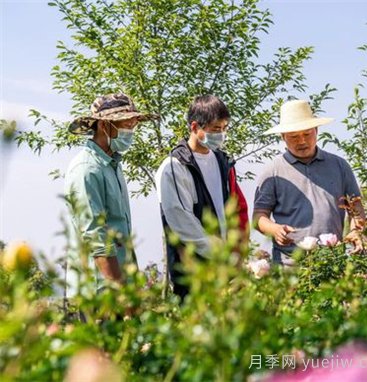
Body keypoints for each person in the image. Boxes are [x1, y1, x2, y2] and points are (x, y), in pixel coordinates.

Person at [155, 95, 248, 299]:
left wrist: (236, 252)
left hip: (224, 269)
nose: (221, 134)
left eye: (225, 128)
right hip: (192, 273)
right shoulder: (174, 168)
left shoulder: (222, 162)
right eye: (216, 129)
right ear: (195, 127)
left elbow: (235, 209)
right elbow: (182, 223)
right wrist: (221, 254)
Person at [64, 93, 157, 295]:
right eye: (126, 126)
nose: (130, 132)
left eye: (133, 126)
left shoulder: (112, 164)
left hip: (118, 284)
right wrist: (121, 292)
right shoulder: (87, 169)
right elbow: (96, 238)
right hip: (98, 291)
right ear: (105, 126)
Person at [253, 99, 366, 265]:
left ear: (317, 131)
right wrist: (275, 230)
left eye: (307, 134)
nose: (302, 141)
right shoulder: (273, 171)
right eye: (294, 136)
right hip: (289, 265)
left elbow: (356, 208)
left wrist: (357, 231)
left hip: (333, 261)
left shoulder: (339, 166)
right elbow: (258, 217)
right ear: (283, 137)